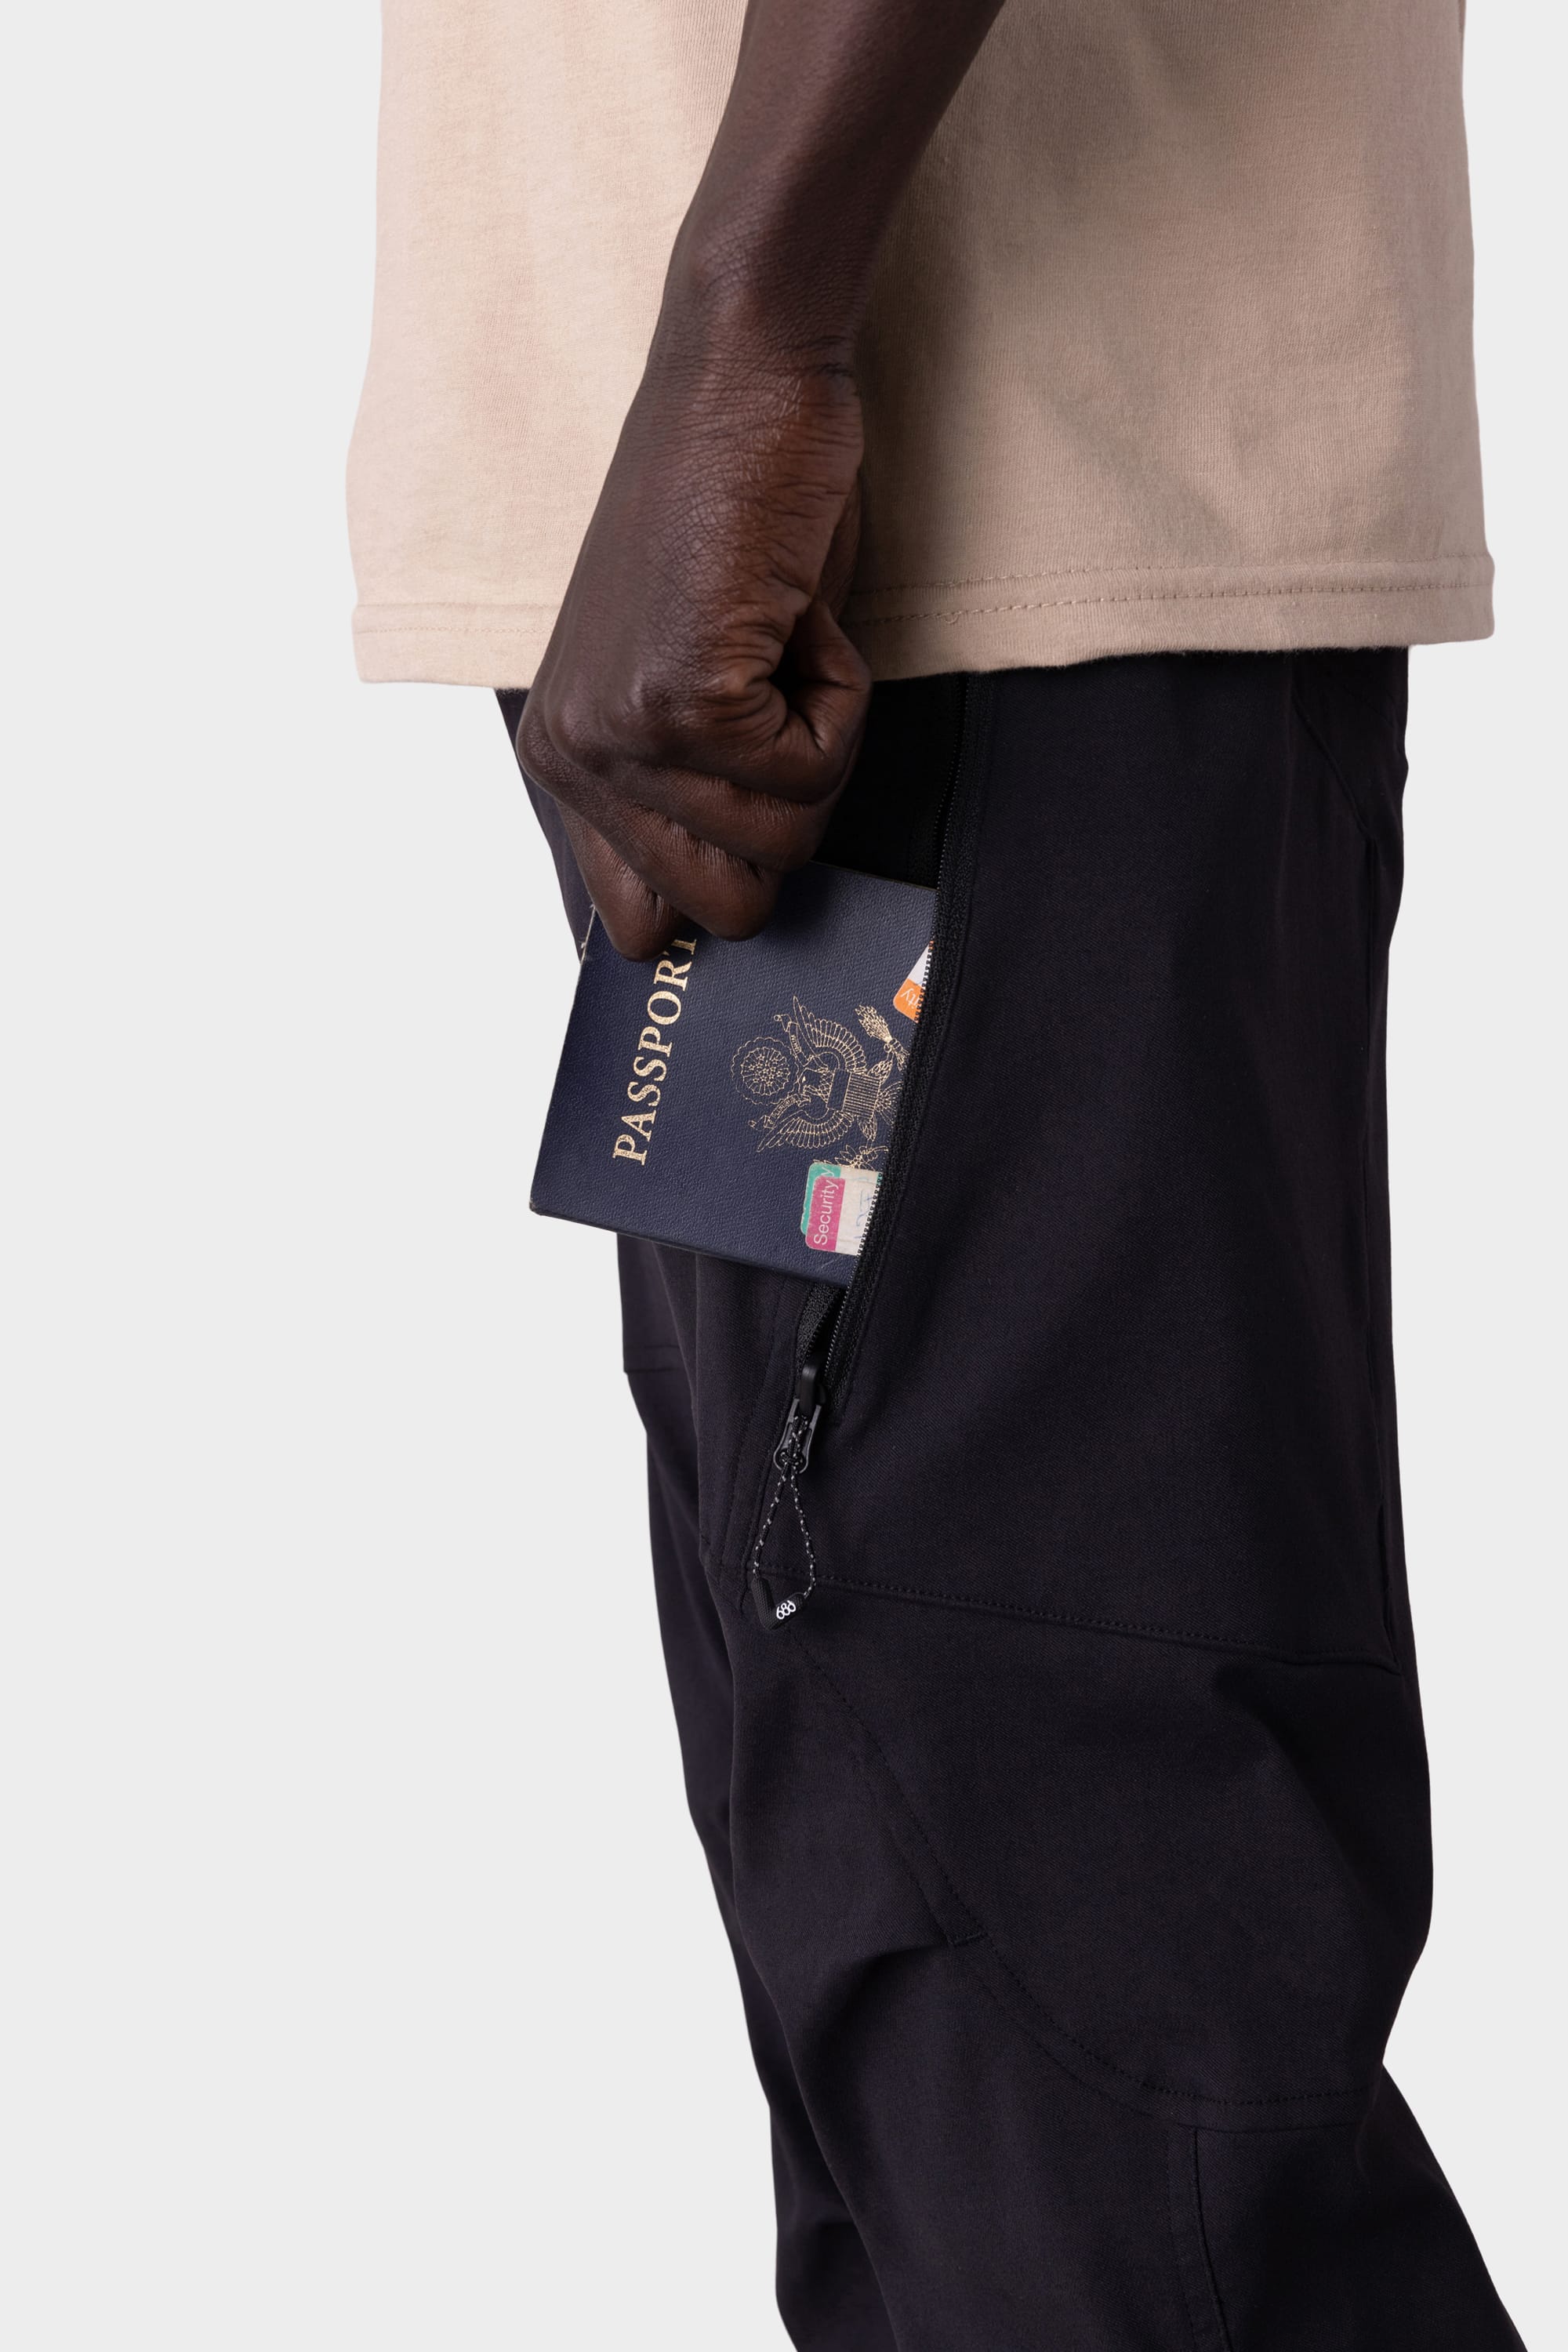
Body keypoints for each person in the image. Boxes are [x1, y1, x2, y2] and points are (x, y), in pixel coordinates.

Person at [349, 2, 1526, 2342]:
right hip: (786, 611)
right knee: (886, 1928)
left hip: (915, 557)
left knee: (1051, 1968)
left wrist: (741, 329)